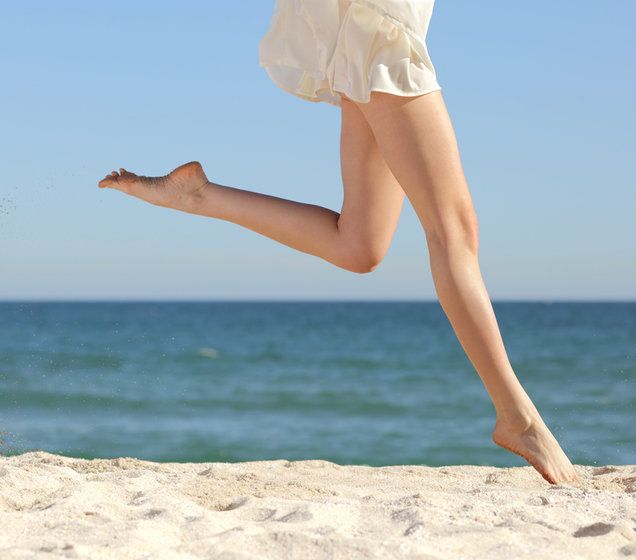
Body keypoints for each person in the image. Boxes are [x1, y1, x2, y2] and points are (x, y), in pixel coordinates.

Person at [98, 0, 578, 484]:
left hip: (370, 38)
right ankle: (517, 417)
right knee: (453, 231)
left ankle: (199, 195)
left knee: (360, 246)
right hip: (380, 33)